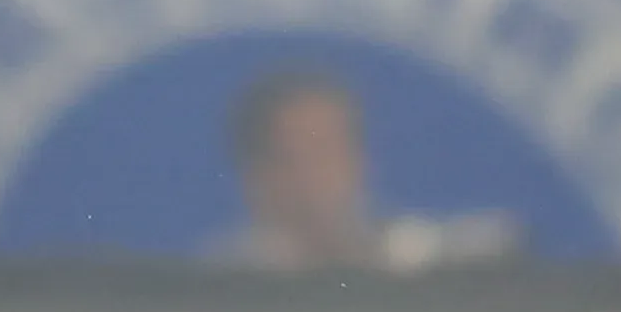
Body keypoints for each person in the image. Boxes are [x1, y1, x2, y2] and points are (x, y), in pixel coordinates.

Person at [214, 68, 515, 272]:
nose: (312, 179)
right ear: (255, 177)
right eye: (291, 158)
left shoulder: (419, 260)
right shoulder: (221, 285)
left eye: (326, 154)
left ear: (360, 162)